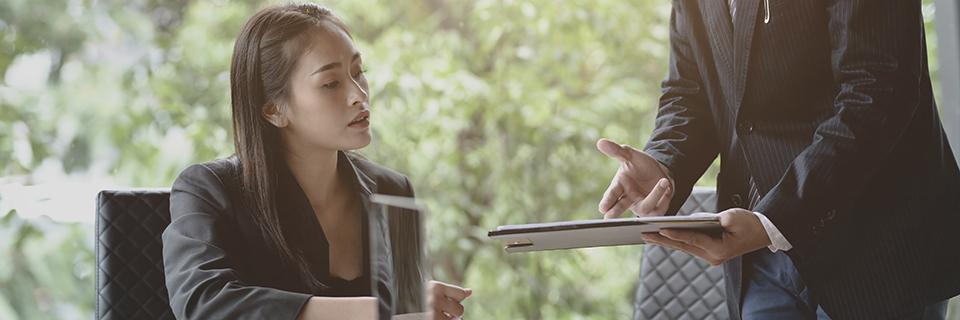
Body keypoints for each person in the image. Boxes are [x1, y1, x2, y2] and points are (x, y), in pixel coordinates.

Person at [597, 0, 960, 319]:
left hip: (877, 244)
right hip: (759, 256)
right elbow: (691, 90)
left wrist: (775, 218)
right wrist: (664, 164)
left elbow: (878, 91)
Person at [161, 4, 470, 320]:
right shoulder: (209, 189)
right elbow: (203, 303)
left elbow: (411, 314)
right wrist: (379, 311)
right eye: (331, 83)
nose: (358, 94)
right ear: (273, 110)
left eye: (359, 72)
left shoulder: (392, 188)